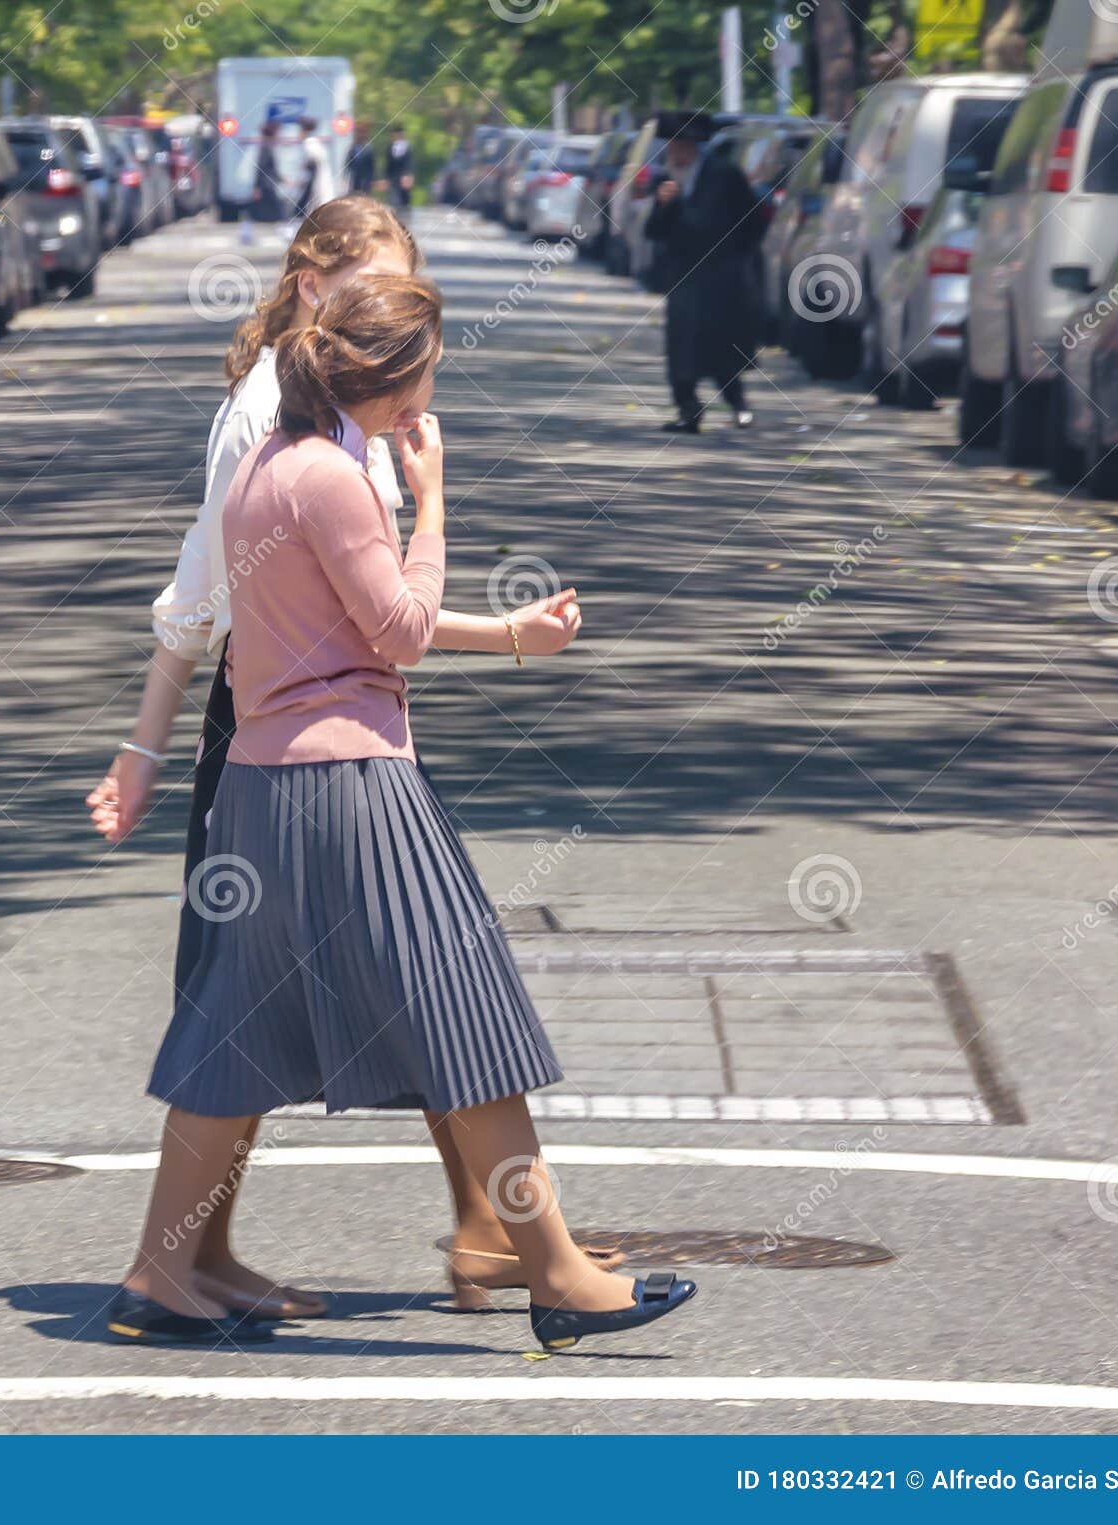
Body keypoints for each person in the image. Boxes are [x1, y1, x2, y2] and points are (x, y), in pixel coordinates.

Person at [102, 273, 698, 1351]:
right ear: (393, 378)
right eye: (429, 369)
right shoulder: (332, 477)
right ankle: (557, 1272)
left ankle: (159, 1272)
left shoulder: (268, 470)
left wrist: (509, 627)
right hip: (350, 785)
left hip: (261, 784)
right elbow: (399, 630)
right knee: (465, 1013)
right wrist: (437, 504)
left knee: (232, 1036)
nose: (435, 389)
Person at [643, 110, 763, 433]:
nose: (675, 154)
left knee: (721, 342)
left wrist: (739, 258)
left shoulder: (723, 175)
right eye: (671, 146)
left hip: (721, 272)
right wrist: (665, 205)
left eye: (681, 146)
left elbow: (748, 221)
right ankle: (688, 409)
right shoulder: (665, 180)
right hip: (683, 272)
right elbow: (653, 231)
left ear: (694, 146)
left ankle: (738, 404)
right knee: (681, 343)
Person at [295, 116, 335, 216]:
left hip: (316, 184)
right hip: (319, 181)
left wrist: (302, 182)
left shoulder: (309, 144)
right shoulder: (316, 143)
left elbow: (312, 167)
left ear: (303, 130)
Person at [250, 120, 286, 225]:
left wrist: (282, 178)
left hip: (268, 183)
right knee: (277, 209)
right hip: (267, 184)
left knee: (270, 208)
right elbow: (260, 169)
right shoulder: (266, 148)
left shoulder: (267, 147)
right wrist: (257, 187)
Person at [385, 122, 415, 216]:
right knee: (393, 200)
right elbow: (388, 165)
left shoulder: (407, 148)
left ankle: (405, 217)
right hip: (393, 178)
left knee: (404, 201)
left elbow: (410, 163)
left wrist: (409, 175)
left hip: (404, 178)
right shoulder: (390, 148)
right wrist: (386, 178)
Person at [346, 121, 376, 195]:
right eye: (358, 132)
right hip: (354, 181)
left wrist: (372, 180)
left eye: (362, 132)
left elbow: (372, 167)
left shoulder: (369, 149)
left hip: (365, 182)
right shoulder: (352, 148)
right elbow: (348, 164)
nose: (360, 134)